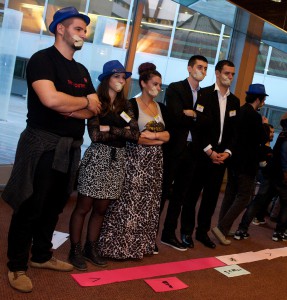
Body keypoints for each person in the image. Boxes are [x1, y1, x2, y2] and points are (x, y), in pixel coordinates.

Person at [1, 7, 101, 293]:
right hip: (41, 145)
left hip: (69, 149)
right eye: (78, 28)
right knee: (30, 206)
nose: (83, 34)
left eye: (85, 30)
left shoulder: (81, 70)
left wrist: (69, 106)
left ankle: (42, 256)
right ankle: (17, 265)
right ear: (60, 29)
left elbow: (94, 109)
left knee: (54, 207)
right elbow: (50, 99)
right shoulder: (41, 60)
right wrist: (76, 103)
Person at [68, 60, 139, 270]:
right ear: (107, 78)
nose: (121, 80)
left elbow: (135, 135)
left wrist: (113, 128)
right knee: (83, 207)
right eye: (117, 76)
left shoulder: (126, 105)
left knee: (101, 209)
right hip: (98, 158)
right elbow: (96, 135)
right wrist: (120, 129)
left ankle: (91, 248)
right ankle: (75, 250)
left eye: (123, 77)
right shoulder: (96, 102)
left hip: (118, 160)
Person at [98, 62, 170, 259]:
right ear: (145, 84)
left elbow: (168, 136)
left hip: (154, 163)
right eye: (155, 83)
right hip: (135, 160)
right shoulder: (131, 104)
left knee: (148, 205)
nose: (158, 88)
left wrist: (153, 137)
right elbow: (135, 135)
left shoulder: (160, 106)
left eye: (160, 84)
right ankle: (118, 247)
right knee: (127, 203)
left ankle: (139, 246)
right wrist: (153, 137)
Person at [179, 60, 240, 249]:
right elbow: (197, 127)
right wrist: (209, 151)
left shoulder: (234, 101)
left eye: (232, 74)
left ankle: (202, 232)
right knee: (192, 196)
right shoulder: (204, 95)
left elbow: (234, 132)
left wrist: (227, 153)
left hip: (221, 159)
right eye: (227, 73)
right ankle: (186, 232)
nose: (230, 77)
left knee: (211, 198)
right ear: (217, 73)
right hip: (202, 156)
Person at [160, 55, 208, 251]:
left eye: (205, 68)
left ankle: (168, 234)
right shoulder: (175, 88)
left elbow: (207, 122)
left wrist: (194, 114)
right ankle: (148, 234)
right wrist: (196, 117)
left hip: (193, 152)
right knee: (162, 193)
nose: (202, 71)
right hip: (174, 149)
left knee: (180, 196)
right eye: (199, 67)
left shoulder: (205, 95)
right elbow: (175, 116)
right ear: (189, 68)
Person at [212, 83, 269, 244]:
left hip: (234, 160)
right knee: (244, 196)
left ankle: (222, 228)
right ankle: (222, 227)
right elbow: (263, 138)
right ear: (259, 99)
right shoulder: (255, 116)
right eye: (263, 99)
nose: (263, 102)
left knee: (230, 194)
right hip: (247, 163)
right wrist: (264, 124)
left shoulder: (240, 110)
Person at [233, 123, 275, 240]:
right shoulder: (264, 149)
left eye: (272, 132)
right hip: (265, 179)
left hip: (265, 178)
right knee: (255, 202)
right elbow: (263, 165)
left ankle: (243, 228)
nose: (272, 134)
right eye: (270, 132)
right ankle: (242, 229)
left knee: (256, 202)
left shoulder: (265, 148)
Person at [270, 113, 287, 241]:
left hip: (275, 172)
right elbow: (284, 155)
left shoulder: (282, 134)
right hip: (283, 173)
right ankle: (280, 231)